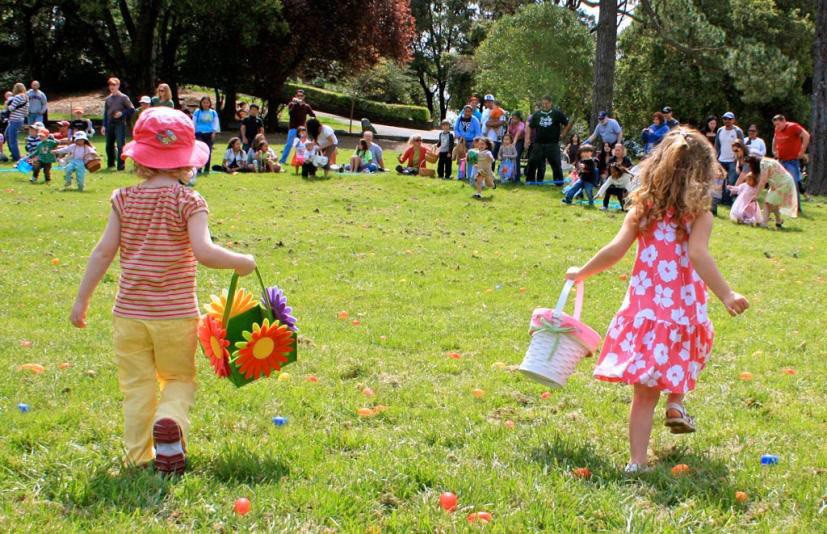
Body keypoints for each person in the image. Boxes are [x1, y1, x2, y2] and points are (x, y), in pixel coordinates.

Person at [70, 107, 256, 475]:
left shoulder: (123, 198)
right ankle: (169, 421)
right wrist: (241, 260)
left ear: (140, 157)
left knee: (137, 387)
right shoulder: (189, 200)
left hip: (129, 314)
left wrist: (82, 299)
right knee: (178, 379)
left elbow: (104, 251)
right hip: (175, 315)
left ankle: (137, 455)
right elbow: (204, 252)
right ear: (187, 161)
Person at [565, 127, 749, 474]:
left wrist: (583, 272)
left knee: (645, 392)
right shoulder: (699, 215)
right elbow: (698, 255)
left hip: (646, 310)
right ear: (702, 173)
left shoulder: (643, 209)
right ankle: (676, 404)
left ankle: (637, 462)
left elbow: (616, 250)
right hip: (683, 310)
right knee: (683, 356)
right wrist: (726, 293)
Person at [745, 147, 798, 228]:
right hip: (778, 184)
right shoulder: (764, 161)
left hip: (783, 183)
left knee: (768, 203)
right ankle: (779, 221)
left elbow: (763, 181)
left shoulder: (763, 163)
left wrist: (756, 195)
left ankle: (764, 223)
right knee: (773, 203)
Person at [524, 95, 571, 184]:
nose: (545, 105)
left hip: (552, 143)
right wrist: (527, 139)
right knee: (532, 161)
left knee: (556, 163)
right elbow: (530, 127)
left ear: (550, 103)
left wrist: (563, 133)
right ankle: (530, 181)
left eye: (546, 103)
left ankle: (558, 182)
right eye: (543, 103)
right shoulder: (537, 114)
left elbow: (566, 124)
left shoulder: (557, 113)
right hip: (538, 143)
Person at [771, 114, 809, 214]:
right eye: (775, 125)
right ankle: (780, 207)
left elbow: (806, 135)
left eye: (778, 124)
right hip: (781, 160)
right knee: (779, 183)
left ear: (784, 121)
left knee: (793, 184)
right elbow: (775, 138)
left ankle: (797, 208)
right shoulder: (777, 129)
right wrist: (774, 150)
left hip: (792, 161)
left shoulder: (793, 127)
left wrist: (802, 151)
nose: (777, 127)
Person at [102, 77, 134, 171]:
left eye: (114, 85)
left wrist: (122, 113)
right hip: (109, 123)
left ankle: (121, 167)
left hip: (120, 123)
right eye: (110, 85)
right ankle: (110, 165)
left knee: (120, 145)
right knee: (109, 145)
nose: (111, 87)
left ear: (118, 86)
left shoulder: (124, 97)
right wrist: (104, 125)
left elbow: (132, 109)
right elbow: (105, 113)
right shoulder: (108, 99)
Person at [279, 89, 316, 164]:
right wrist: (296, 104)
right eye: (298, 96)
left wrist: (310, 122)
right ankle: (282, 161)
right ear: (295, 96)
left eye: (301, 96)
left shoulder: (306, 106)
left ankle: (299, 161)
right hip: (293, 128)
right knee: (289, 144)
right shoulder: (292, 104)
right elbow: (290, 113)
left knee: (301, 145)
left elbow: (313, 115)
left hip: (302, 129)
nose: (300, 97)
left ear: (304, 97)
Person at [715, 112, 744, 206]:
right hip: (721, 159)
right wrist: (716, 157)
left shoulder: (738, 131)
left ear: (733, 120)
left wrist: (739, 158)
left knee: (731, 181)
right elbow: (717, 145)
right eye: (725, 119)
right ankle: (720, 199)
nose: (727, 121)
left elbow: (742, 145)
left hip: (733, 160)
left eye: (729, 119)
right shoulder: (720, 130)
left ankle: (728, 200)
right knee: (720, 181)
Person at [596, 143, 633, 211]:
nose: (617, 152)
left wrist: (623, 169)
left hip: (623, 185)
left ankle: (624, 207)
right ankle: (605, 206)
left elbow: (631, 171)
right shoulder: (611, 159)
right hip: (613, 182)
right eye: (616, 150)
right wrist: (598, 194)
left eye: (618, 150)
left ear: (622, 151)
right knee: (608, 190)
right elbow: (605, 185)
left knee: (621, 196)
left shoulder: (627, 160)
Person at [192, 96, 221, 175]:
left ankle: (207, 169)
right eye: (204, 102)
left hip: (209, 133)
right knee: (199, 151)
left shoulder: (213, 112)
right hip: (199, 133)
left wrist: (214, 132)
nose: (205, 104)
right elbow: (193, 122)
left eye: (207, 102)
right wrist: (193, 132)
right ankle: (198, 168)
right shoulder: (197, 112)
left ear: (210, 103)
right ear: (201, 103)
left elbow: (215, 123)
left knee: (208, 151)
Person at [4, 83, 29, 161]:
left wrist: (6, 105)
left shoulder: (17, 97)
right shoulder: (26, 97)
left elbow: (11, 108)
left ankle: (16, 157)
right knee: (7, 135)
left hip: (14, 120)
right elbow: (26, 113)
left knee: (12, 140)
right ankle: (14, 154)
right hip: (20, 120)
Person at [507, 112, 525, 182]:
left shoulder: (521, 125)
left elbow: (517, 136)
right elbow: (508, 133)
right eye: (513, 118)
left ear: (519, 119)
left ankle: (517, 178)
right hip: (511, 140)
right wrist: (507, 143)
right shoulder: (510, 122)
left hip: (519, 141)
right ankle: (509, 176)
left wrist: (512, 146)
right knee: (509, 158)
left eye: (516, 119)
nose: (514, 120)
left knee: (516, 157)